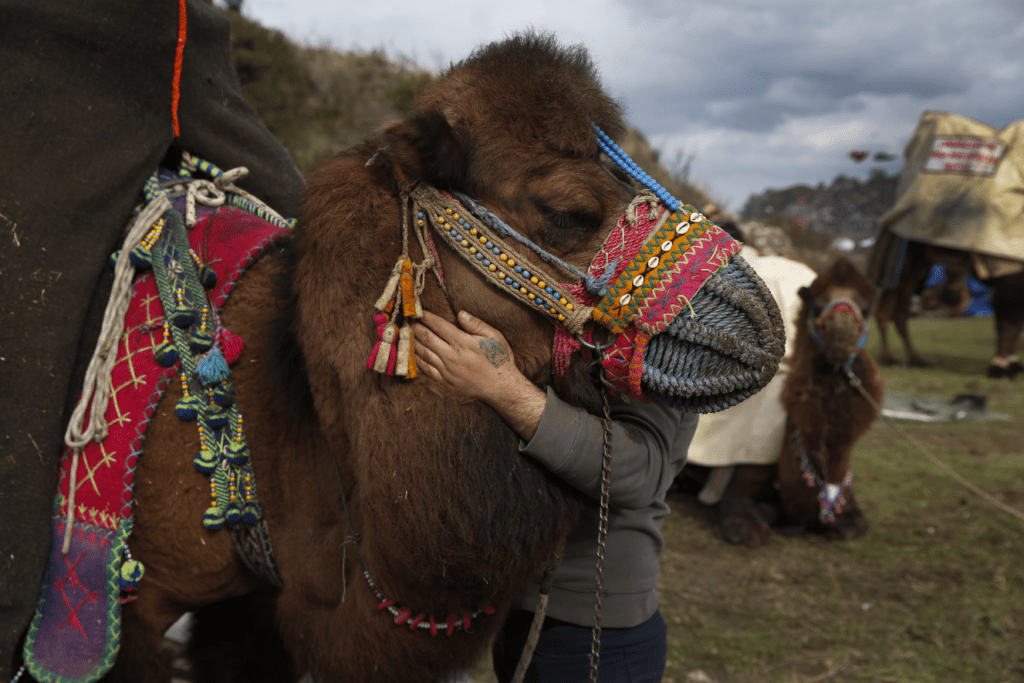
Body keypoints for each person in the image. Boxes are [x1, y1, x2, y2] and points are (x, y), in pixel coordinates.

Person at [413, 310, 698, 683]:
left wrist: (502, 387)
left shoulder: (657, 314)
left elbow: (639, 472)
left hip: (594, 632)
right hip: (512, 608)